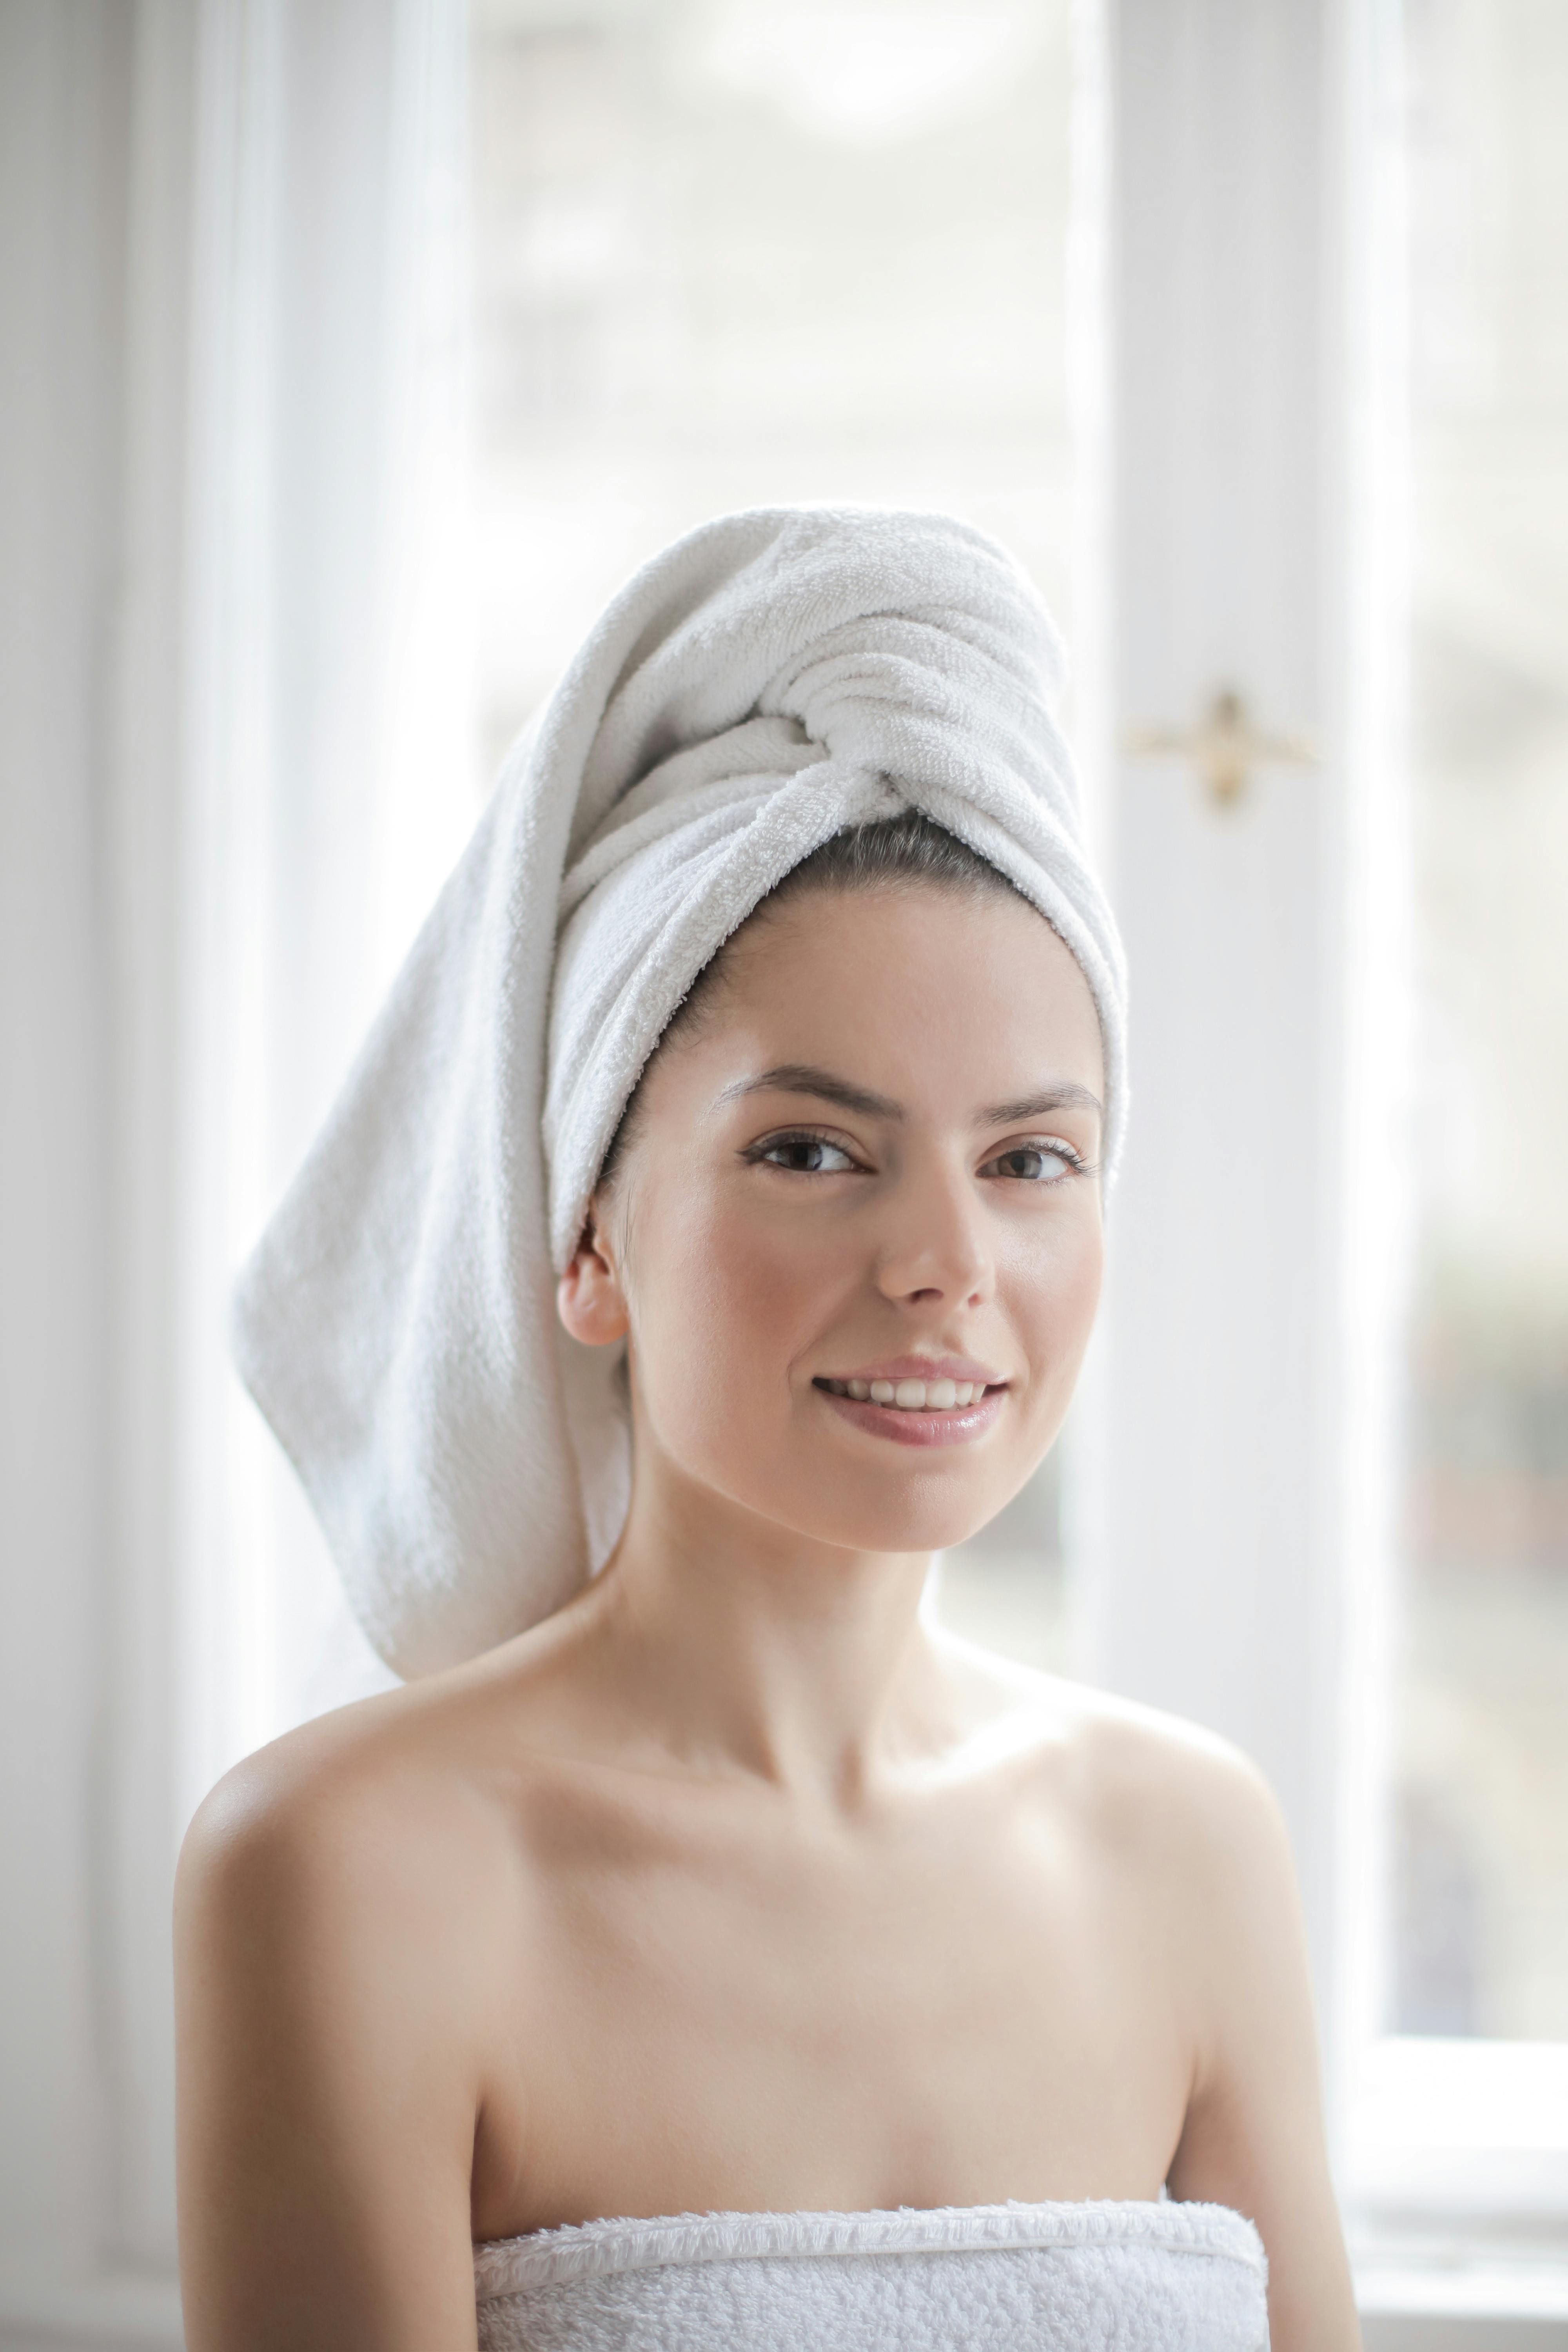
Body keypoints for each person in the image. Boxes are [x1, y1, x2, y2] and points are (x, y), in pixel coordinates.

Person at [173, 508, 1361, 2350]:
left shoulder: (1190, 1846)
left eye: (1030, 1159)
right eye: (812, 1152)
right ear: (584, 1241)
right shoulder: (350, 1869)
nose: (947, 1268)